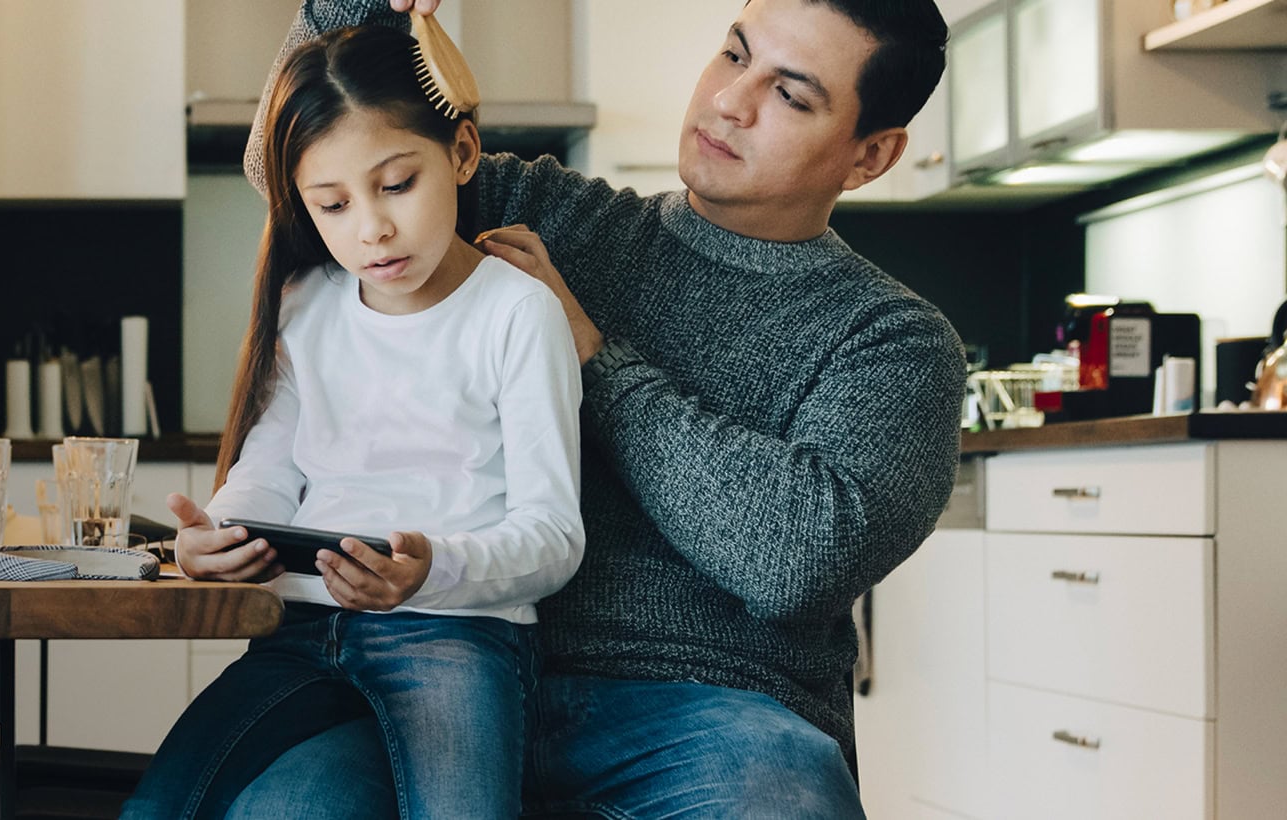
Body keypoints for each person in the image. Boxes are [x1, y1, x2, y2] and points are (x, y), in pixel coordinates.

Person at [136, 0, 971, 816]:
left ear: (872, 155)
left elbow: (794, 561)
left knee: (780, 795)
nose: (730, 101)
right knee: (290, 803)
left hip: (698, 713)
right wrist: (362, 3)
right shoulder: (552, 211)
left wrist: (593, 356)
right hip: (439, 652)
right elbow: (299, 163)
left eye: (790, 94)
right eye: (734, 53)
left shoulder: (893, 339)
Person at [121, 23, 585, 819]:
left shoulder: (517, 311)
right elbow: (269, 470)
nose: (369, 229)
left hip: (455, 634)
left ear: (462, 155)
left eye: (397, 184)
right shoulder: (308, 305)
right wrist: (219, 533)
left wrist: (428, 566)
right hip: (302, 622)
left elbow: (554, 537)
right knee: (161, 807)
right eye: (331, 205)